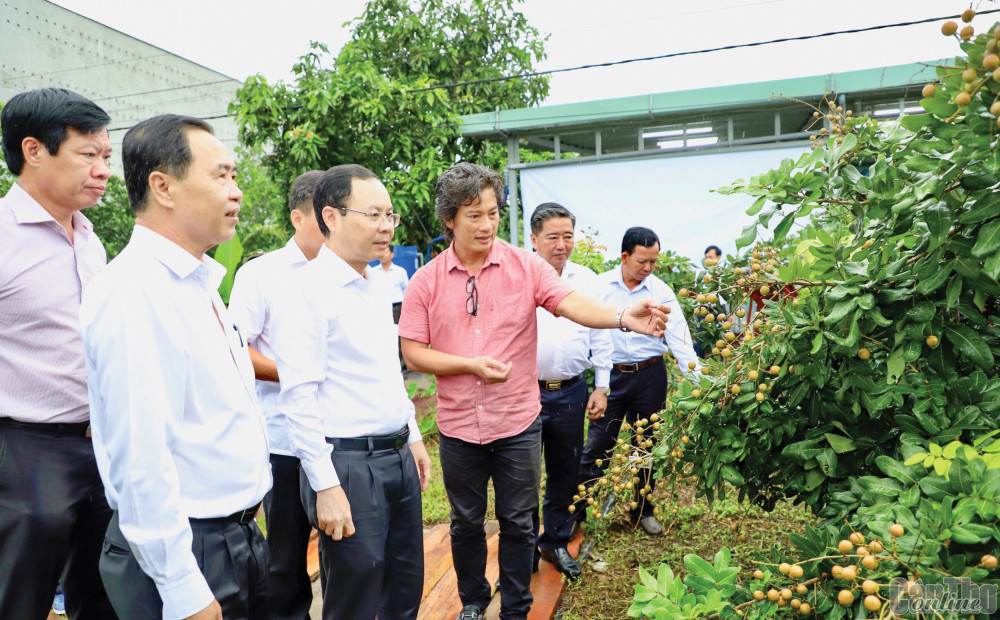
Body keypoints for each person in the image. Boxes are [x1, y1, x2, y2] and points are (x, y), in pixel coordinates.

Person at [398, 163, 669, 620]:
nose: (486, 225)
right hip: (460, 426)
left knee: (519, 522)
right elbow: (413, 353)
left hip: (517, 421)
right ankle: (473, 600)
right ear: (449, 220)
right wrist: (468, 365)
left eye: (493, 213)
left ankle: (517, 608)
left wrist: (623, 317)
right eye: (473, 216)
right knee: (465, 523)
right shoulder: (425, 281)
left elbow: (571, 303)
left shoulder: (526, 266)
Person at [79, 114, 272, 620]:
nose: (236, 191)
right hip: (186, 550)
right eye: (221, 175)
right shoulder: (136, 293)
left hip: (232, 538)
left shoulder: (196, 283)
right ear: (162, 186)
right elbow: (141, 458)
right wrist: (183, 586)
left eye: (235, 176)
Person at [274, 164, 432, 620]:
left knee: (404, 586)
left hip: (395, 457)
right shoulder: (306, 291)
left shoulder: (376, 281)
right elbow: (298, 398)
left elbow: (386, 370)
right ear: (332, 216)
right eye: (373, 214)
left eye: (390, 215)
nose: (385, 226)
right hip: (347, 465)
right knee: (355, 596)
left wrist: (414, 435)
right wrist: (325, 485)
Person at [0, 87, 118, 620]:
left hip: (102, 446)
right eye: (88, 154)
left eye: (107, 157)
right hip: (24, 453)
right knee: (19, 596)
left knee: (105, 594)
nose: (103, 170)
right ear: (33, 150)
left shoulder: (91, 240)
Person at [227, 170, 326, 620]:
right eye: (324, 216)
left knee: (348, 552)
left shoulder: (351, 272)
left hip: (339, 438)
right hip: (284, 443)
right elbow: (235, 350)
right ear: (298, 217)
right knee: (285, 560)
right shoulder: (260, 275)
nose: (333, 225)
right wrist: (298, 375)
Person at [578, 227, 700, 536]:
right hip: (613, 376)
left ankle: (642, 509)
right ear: (624, 256)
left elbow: (681, 339)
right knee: (598, 445)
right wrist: (599, 384)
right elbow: (589, 331)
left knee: (646, 447)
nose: (647, 268)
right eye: (642, 261)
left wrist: (703, 382)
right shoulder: (600, 286)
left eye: (653, 262)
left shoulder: (660, 290)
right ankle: (576, 513)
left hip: (650, 376)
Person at [528, 202, 613, 581]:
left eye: (568, 236)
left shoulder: (589, 280)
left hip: (572, 391)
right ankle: (524, 546)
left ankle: (555, 541)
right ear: (534, 239)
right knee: (522, 474)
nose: (562, 244)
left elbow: (601, 335)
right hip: (524, 392)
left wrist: (602, 386)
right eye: (553, 237)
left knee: (564, 470)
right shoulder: (519, 275)